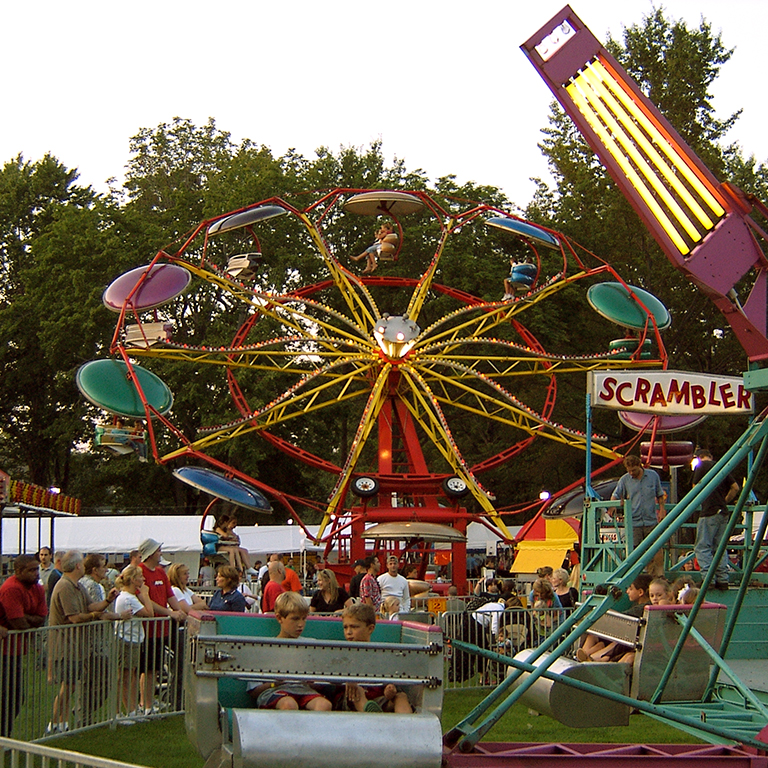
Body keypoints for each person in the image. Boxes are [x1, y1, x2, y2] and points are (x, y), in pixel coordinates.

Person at [48, 550, 131, 733]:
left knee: (70, 686)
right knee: (67, 686)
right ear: (78, 566)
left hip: (75, 645)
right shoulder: (64, 586)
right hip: (64, 645)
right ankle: (54, 724)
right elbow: (75, 618)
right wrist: (95, 615)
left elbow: (92, 605)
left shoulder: (77, 585)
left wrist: (108, 600)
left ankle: (62, 723)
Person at [247, 592, 332, 711]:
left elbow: (322, 683)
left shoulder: (311, 645)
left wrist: (311, 681)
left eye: (304, 619)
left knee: (324, 705)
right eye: (295, 619)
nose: (301, 625)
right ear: (279, 618)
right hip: (275, 692)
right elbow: (254, 691)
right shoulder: (265, 648)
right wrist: (275, 683)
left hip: (304, 691)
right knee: (288, 705)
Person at [137, 538, 186, 715]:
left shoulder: (160, 572)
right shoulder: (139, 572)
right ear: (150, 553)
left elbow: (169, 595)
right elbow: (145, 599)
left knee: (156, 669)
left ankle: (151, 701)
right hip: (147, 629)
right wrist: (170, 613)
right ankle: (146, 704)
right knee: (147, 669)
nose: (160, 553)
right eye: (158, 550)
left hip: (162, 628)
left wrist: (178, 612)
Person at [0, 555, 46, 736]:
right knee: (8, 696)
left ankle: (5, 735)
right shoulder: (11, 588)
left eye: (37, 569)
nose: (36, 573)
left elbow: (41, 619)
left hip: (16, 649)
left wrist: (23, 617)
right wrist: (25, 618)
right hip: (4, 650)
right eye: (31, 570)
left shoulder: (38, 588)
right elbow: (19, 623)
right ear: (18, 571)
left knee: (16, 698)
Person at [340, 603, 412, 713]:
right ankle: (372, 716)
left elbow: (389, 679)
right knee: (357, 691)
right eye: (345, 627)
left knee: (401, 696)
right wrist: (348, 680)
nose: (348, 632)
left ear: (370, 629)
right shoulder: (342, 653)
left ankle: (408, 725)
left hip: (379, 699)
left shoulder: (380, 654)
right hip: (351, 699)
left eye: (354, 627)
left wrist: (390, 688)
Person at [609, 455, 666, 576]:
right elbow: (616, 494)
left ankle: (660, 575)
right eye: (629, 471)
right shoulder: (625, 480)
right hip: (634, 521)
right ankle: (636, 576)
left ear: (639, 465)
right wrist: (612, 506)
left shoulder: (652, 476)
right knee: (635, 550)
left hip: (650, 518)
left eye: (633, 470)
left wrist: (662, 509)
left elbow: (660, 494)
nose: (631, 473)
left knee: (657, 547)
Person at [692, 449, 740, 591]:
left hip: (709, 511)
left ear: (699, 458)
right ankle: (723, 579)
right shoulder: (721, 466)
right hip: (722, 512)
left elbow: (695, 488)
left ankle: (708, 579)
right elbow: (735, 488)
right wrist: (724, 500)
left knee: (702, 546)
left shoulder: (701, 467)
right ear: (711, 456)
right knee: (720, 547)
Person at [577, 574, 652, 663]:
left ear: (640, 592)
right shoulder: (636, 605)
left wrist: (604, 610)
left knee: (610, 643)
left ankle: (591, 658)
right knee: (593, 637)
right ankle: (585, 654)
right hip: (622, 636)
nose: (627, 591)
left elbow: (623, 618)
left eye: (630, 589)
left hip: (627, 639)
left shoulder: (641, 608)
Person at [114, 564, 154, 716]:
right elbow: (149, 613)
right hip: (126, 640)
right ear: (132, 580)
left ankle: (131, 709)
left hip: (134, 639)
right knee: (125, 678)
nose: (143, 579)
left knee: (130, 677)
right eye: (140, 577)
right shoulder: (129, 598)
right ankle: (124, 711)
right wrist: (145, 595)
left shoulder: (130, 597)